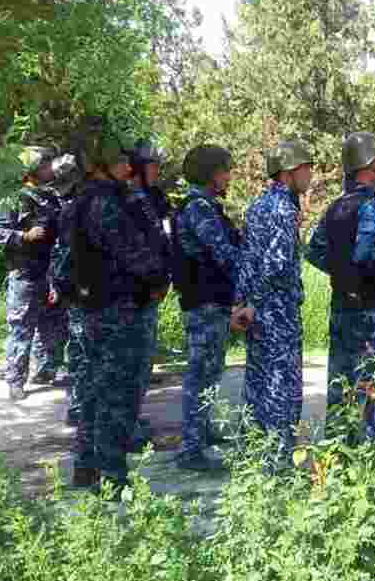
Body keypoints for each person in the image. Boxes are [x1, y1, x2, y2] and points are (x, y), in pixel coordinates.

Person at [69, 134, 168, 494]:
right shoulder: (105, 204)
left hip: (101, 307)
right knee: (117, 397)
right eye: (121, 162)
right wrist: (159, 276)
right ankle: (111, 478)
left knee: (96, 393)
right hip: (119, 310)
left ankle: (86, 468)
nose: (129, 167)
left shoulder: (88, 200)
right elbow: (136, 255)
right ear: (101, 166)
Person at [306, 132, 375, 443]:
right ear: (368, 164)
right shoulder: (372, 205)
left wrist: (343, 274)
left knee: (341, 386)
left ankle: (337, 454)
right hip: (370, 312)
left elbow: (315, 251)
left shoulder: (337, 206)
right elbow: (367, 257)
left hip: (342, 309)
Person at [239, 139, 313, 469]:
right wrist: (256, 301)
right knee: (282, 386)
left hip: (256, 310)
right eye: (305, 168)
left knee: (258, 381)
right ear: (287, 172)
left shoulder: (258, 205)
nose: (309, 175)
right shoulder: (284, 209)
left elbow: (247, 260)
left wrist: (242, 303)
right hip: (277, 310)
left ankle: (254, 456)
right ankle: (280, 461)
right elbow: (277, 262)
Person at [171, 144, 245, 472]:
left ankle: (201, 432)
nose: (228, 177)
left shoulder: (207, 206)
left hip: (211, 301)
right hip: (203, 303)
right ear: (209, 174)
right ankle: (190, 448)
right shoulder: (198, 208)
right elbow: (223, 253)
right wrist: (250, 275)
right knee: (200, 374)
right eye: (224, 171)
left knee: (210, 371)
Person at [0, 145, 63, 400]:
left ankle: (45, 371)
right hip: (25, 274)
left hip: (50, 273)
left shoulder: (51, 197)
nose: (51, 169)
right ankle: (15, 380)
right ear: (33, 169)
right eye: (46, 165)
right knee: (21, 329)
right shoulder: (15, 199)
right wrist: (23, 236)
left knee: (52, 327)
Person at [124, 139, 172, 451]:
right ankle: (124, 426)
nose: (157, 171)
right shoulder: (128, 200)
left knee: (142, 361)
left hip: (150, 291)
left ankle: (131, 417)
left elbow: (165, 239)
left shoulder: (155, 198)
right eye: (153, 166)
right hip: (131, 294)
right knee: (130, 362)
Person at [47, 153, 88, 431]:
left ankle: (79, 409)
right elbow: (61, 252)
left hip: (76, 288)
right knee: (81, 352)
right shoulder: (71, 208)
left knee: (79, 351)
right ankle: (79, 410)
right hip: (79, 291)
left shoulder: (70, 205)